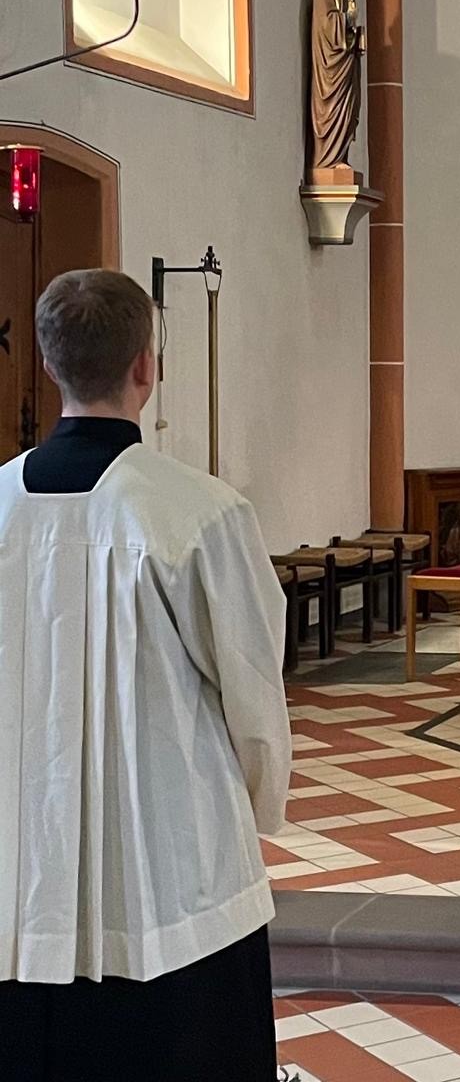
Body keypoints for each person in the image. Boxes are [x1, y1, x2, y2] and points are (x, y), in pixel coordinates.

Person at [0, 269, 291, 1081]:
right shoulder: (198, 511)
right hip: (172, 867)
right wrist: (256, 807)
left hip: (18, 869)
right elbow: (252, 686)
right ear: (146, 367)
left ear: (50, 367)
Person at [308, 0, 365, 175]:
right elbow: (326, 27)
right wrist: (348, 18)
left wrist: (355, 32)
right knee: (331, 110)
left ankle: (339, 156)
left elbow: (345, 30)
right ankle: (327, 161)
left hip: (345, 66)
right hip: (330, 69)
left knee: (347, 110)